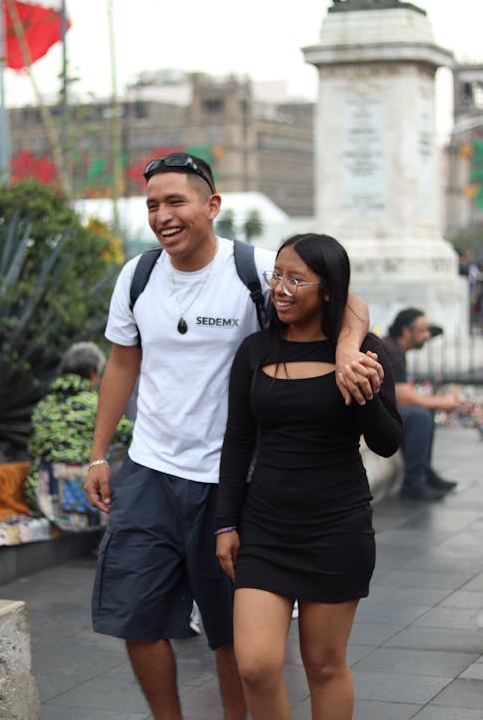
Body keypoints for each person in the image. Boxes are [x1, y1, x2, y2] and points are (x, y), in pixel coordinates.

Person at [84, 153, 384, 720]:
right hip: (150, 468)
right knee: (135, 614)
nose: (163, 216)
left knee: (233, 636)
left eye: (176, 201)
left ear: (211, 205)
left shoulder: (257, 269)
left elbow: (348, 302)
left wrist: (347, 350)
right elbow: (123, 363)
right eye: (152, 205)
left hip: (233, 478)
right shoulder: (138, 274)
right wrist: (100, 453)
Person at [215, 233, 402, 720]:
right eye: (277, 275)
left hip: (336, 528)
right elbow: (238, 441)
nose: (280, 287)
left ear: (327, 290)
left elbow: (387, 442)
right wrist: (225, 523)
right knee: (254, 665)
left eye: (296, 279)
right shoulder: (255, 351)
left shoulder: (365, 351)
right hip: (265, 529)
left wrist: (363, 389)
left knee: (323, 665)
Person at [26, 342, 132, 528]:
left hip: (44, 498)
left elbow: (33, 449)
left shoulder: (44, 405)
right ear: (93, 373)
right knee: (122, 456)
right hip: (87, 500)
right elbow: (130, 436)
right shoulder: (97, 403)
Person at [382, 308, 461, 501]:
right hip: (376, 411)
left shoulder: (395, 349)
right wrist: (440, 402)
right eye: (422, 330)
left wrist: (435, 403)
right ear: (406, 331)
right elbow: (402, 396)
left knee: (424, 412)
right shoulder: (390, 350)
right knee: (419, 416)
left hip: (384, 408)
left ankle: (425, 472)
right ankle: (413, 483)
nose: (427, 335)